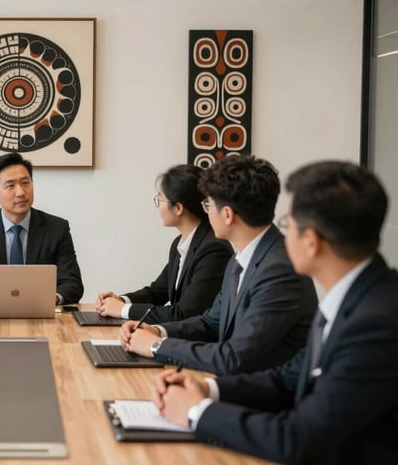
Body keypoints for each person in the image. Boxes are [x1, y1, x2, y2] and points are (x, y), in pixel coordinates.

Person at [152, 161, 398, 464]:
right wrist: (207, 388)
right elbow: (288, 379)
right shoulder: (355, 295)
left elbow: (296, 438)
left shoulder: (376, 322)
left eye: (288, 224)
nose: (282, 236)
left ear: (312, 242)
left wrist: (195, 410)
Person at [120, 155, 317, 374]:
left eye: (208, 204)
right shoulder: (240, 257)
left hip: (262, 398)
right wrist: (157, 331)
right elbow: (211, 323)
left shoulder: (280, 270)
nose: (205, 211)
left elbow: (234, 357)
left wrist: (156, 346)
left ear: (227, 214)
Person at [95, 164, 232, 323]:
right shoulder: (179, 244)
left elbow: (184, 314)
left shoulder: (213, 249)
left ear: (178, 208)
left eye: (160, 198)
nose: (158, 206)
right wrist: (121, 300)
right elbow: (157, 293)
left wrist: (122, 310)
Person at [0, 152, 84, 306]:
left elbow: (73, 284)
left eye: (25, 183)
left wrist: (50, 298)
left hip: (41, 317)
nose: (21, 192)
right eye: (10, 185)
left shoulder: (57, 228)